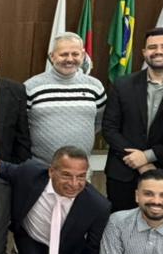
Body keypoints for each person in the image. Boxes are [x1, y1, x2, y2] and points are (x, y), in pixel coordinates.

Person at [101, 28, 163, 212]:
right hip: (124, 172)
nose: (158, 51)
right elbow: (109, 128)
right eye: (152, 47)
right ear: (144, 52)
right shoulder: (123, 84)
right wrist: (139, 161)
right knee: (120, 222)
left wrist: (147, 156)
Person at [24, 32, 106, 162]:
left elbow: (99, 121)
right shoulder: (31, 87)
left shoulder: (95, 86)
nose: (70, 59)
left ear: (83, 55)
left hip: (80, 167)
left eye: (75, 54)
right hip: (39, 166)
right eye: (64, 54)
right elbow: (22, 125)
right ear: (52, 56)